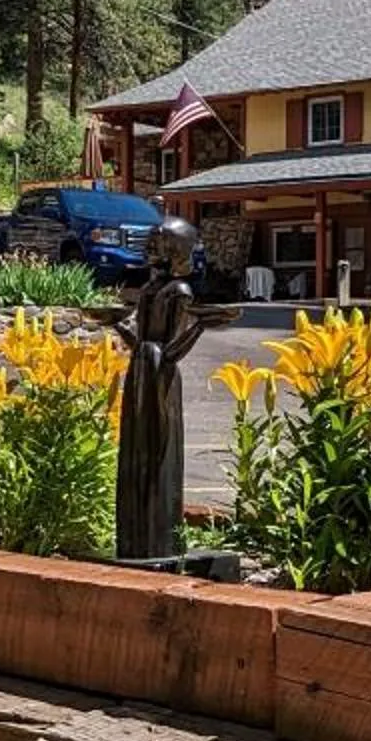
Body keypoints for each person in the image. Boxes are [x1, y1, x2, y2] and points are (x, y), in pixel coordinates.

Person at [115, 214, 238, 570]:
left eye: (159, 242)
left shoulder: (179, 293)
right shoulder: (150, 289)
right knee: (135, 452)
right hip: (142, 372)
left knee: (157, 453)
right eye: (151, 240)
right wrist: (119, 328)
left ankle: (158, 536)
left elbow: (170, 351)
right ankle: (135, 536)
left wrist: (200, 325)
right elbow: (142, 340)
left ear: (176, 251)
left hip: (161, 378)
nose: (150, 247)